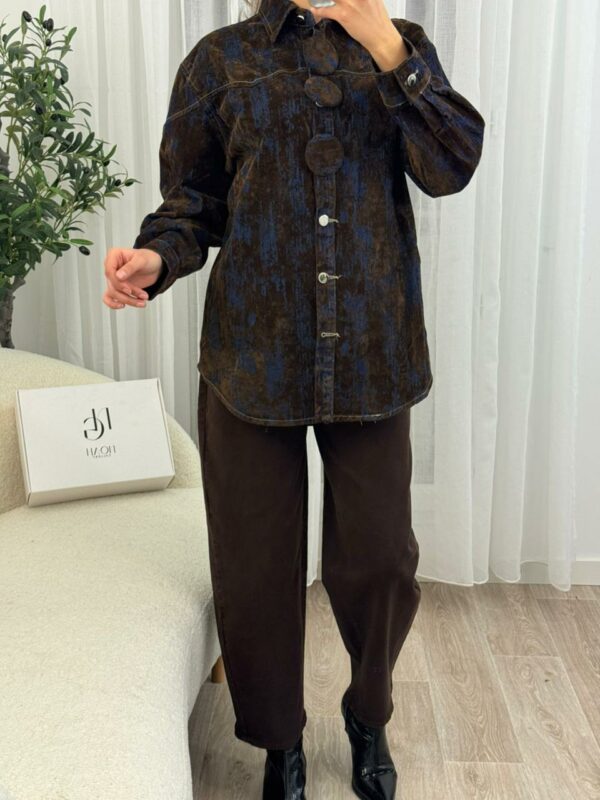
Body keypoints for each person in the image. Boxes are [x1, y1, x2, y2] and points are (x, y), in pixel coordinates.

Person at [103, 0, 485, 797]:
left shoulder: (399, 46)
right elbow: (193, 202)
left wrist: (388, 49)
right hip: (252, 354)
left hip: (372, 352)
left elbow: (451, 165)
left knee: (382, 559)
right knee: (255, 569)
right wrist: (155, 258)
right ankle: (280, 744)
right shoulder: (219, 60)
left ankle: (369, 713)